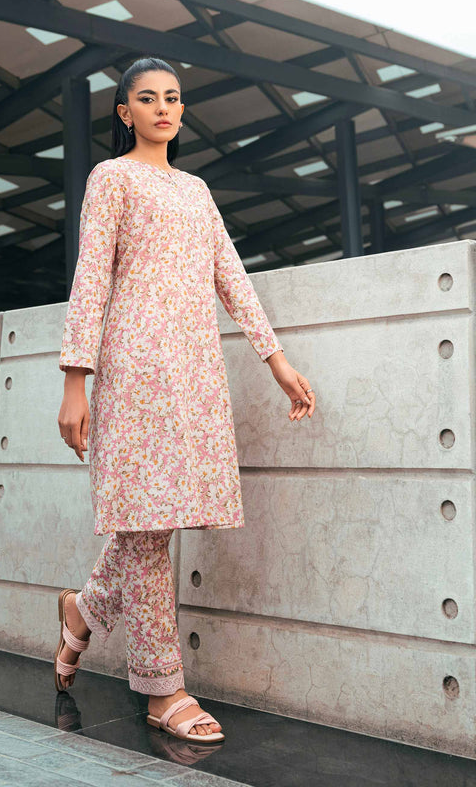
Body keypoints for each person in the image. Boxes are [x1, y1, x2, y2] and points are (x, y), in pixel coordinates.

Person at [54, 56, 316, 742]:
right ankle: (162, 690)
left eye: (172, 97)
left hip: (195, 371)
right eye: (148, 99)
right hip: (134, 369)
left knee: (155, 521)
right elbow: (91, 277)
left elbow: (230, 274)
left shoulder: (197, 191)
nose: (163, 108)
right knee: (145, 523)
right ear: (125, 113)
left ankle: (83, 611)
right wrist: (75, 380)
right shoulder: (111, 178)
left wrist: (276, 360)